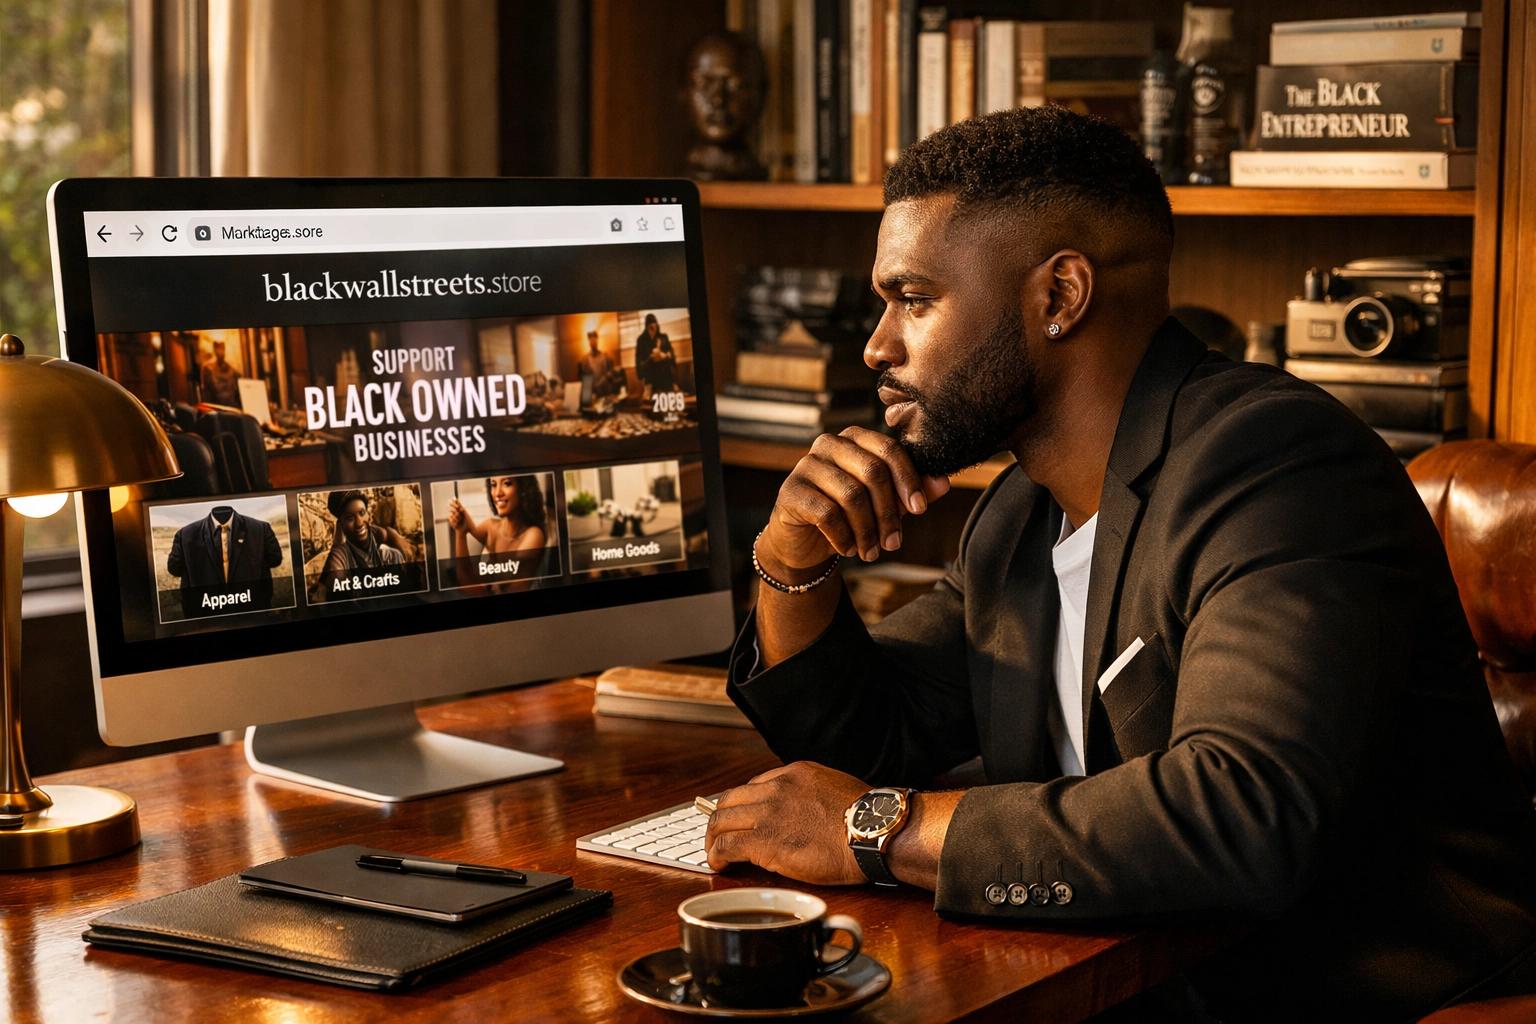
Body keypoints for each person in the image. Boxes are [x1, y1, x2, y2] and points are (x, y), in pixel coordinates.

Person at [705, 106, 1536, 1020]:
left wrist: (879, 828)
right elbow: (869, 745)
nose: (878, 345)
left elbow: (1243, 814)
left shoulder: (1277, 463)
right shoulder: (1019, 512)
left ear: (1060, 295)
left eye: (914, 299)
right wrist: (792, 560)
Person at [166, 503, 284, 611]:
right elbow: (275, 559)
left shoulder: (185, 533)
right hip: (252, 608)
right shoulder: (261, 528)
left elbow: (174, 568)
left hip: (204, 612)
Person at [315, 490, 412, 599]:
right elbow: (335, 586)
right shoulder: (340, 553)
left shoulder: (378, 535)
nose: (360, 523)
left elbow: (404, 551)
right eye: (350, 518)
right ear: (340, 523)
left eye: (362, 513)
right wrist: (338, 545)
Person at [447, 475, 548, 565]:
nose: (498, 493)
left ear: (523, 489)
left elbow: (511, 585)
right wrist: (460, 530)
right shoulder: (489, 525)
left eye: (506, 483)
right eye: (494, 485)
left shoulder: (534, 535)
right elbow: (464, 578)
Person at [577, 330, 625, 405]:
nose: (592, 341)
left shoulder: (605, 356)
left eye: (594, 339)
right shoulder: (585, 359)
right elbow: (585, 379)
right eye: (590, 339)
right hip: (593, 392)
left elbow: (611, 374)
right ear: (588, 341)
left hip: (605, 391)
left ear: (597, 340)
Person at [634, 313, 676, 397]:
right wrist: (650, 358)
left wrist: (667, 355)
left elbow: (672, 358)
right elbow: (639, 365)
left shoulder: (663, 338)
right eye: (650, 328)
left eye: (655, 328)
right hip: (650, 381)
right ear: (646, 328)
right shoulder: (641, 341)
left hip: (666, 379)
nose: (653, 331)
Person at [199, 340, 242, 406]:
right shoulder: (207, 369)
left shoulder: (232, 370)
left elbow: (238, 394)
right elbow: (205, 393)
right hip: (216, 410)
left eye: (222, 348)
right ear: (214, 349)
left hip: (233, 410)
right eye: (218, 348)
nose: (220, 352)